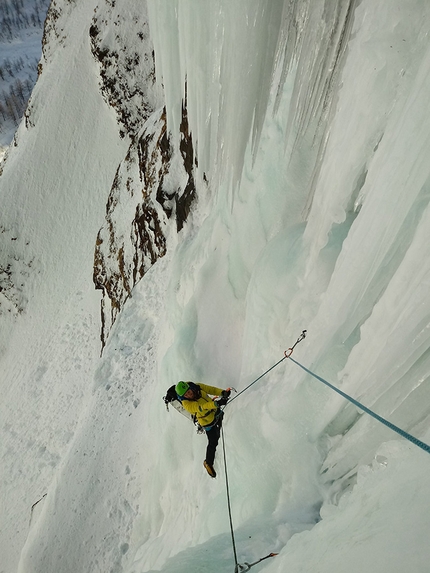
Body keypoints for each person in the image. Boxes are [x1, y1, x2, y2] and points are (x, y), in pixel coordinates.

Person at [176, 381, 231, 478]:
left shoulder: (197, 387)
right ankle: (208, 463)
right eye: (186, 394)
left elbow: (210, 389)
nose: (190, 394)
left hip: (216, 412)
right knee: (213, 441)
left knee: (221, 425)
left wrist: (222, 393)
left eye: (189, 391)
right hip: (207, 422)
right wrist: (216, 403)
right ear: (183, 397)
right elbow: (201, 407)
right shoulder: (186, 404)